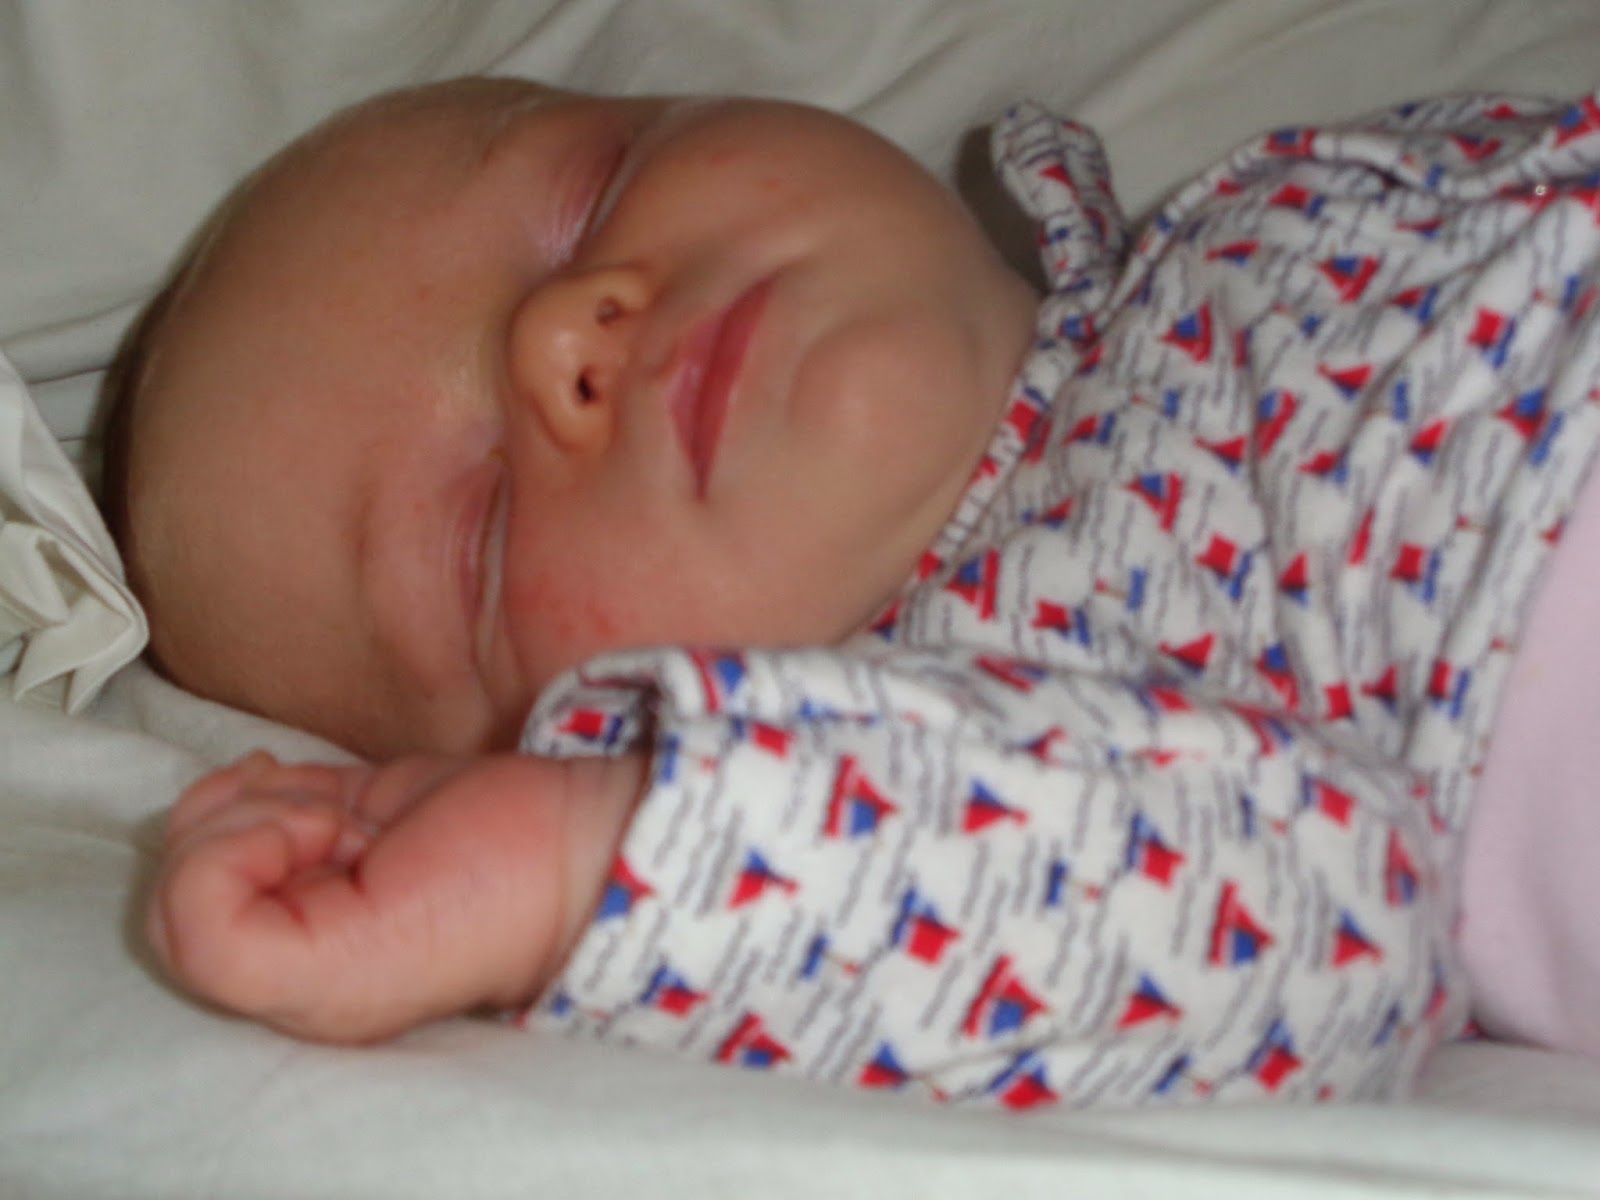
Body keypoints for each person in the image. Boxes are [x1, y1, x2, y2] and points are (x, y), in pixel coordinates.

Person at [107, 75, 1600, 1109]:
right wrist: (589, 859)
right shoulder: (972, 764)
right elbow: (1325, 923)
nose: (564, 333)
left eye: (583, 196)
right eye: (480, 533)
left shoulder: (1243, 219)